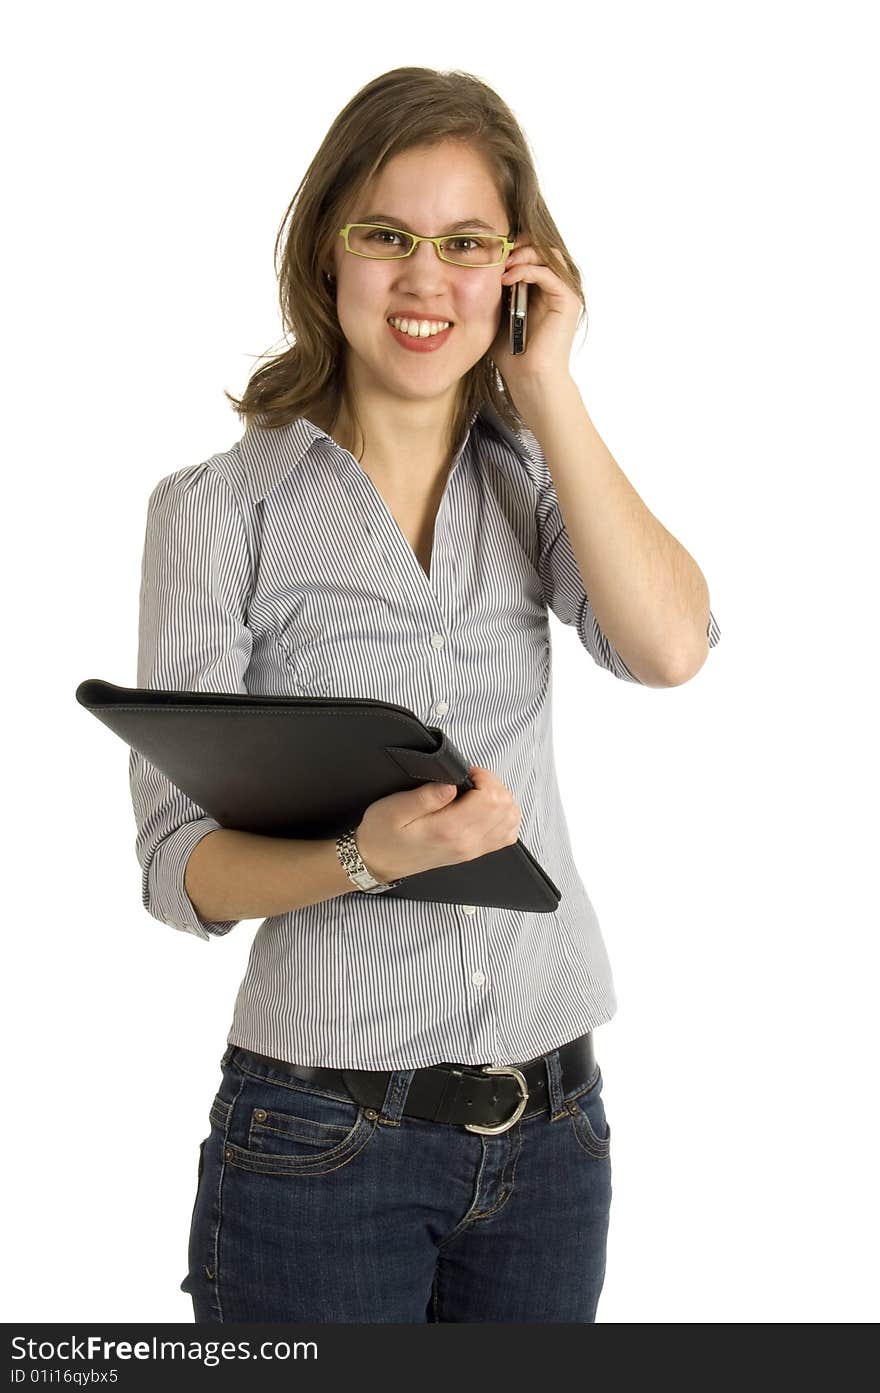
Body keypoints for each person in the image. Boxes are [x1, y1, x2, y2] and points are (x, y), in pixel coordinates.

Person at [129, 66, 720, 1324]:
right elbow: (177, 870)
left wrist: (548, 385)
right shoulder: (219, 512)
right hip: (317, 1142)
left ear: (513, 272)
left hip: (553, 1137)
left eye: (465, 245)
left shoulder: (533, 479)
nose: (422, 279)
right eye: (388, 236)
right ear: (328, 251)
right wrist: (361, 855)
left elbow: (671, 646)